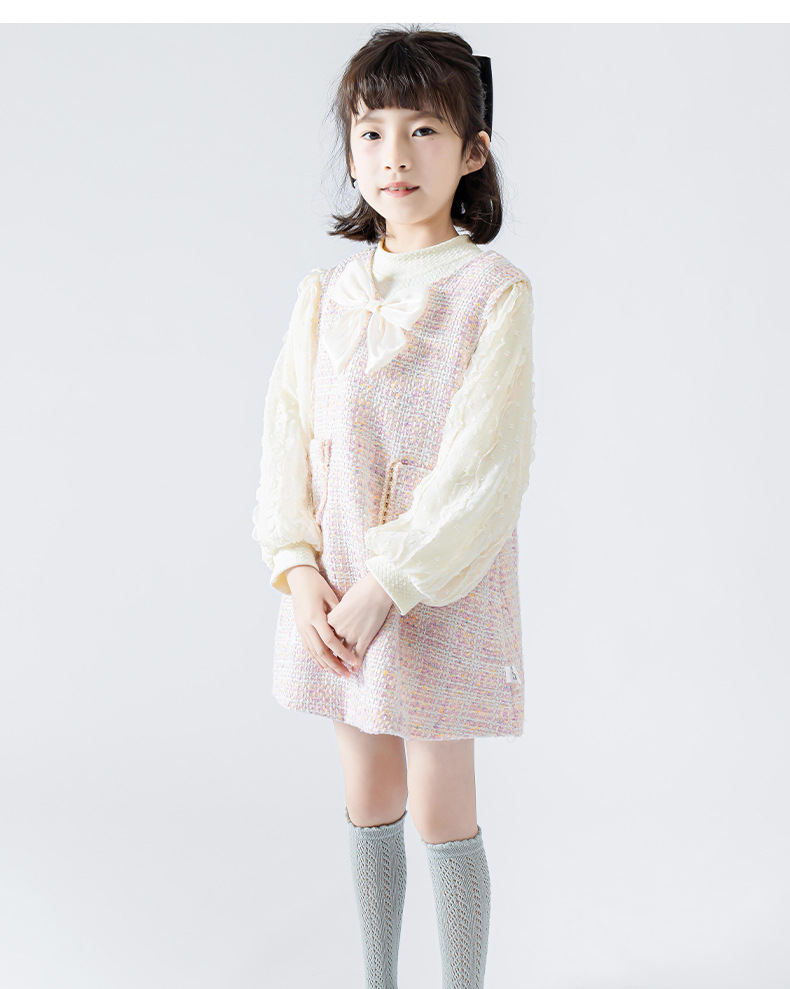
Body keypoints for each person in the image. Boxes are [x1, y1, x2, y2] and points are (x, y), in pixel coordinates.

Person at [252, 25, 537, 989]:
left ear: (473, 150)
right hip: (335, 597)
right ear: (349, 151)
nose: (394, 156)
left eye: (424, 130)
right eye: (371, 132)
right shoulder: (325, 293)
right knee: (367, 792)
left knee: (442, 808)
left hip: (434, 594)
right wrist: (298, 570)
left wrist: (390, 583)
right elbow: (286, 438)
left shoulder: (490, 292)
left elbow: (485, 467)